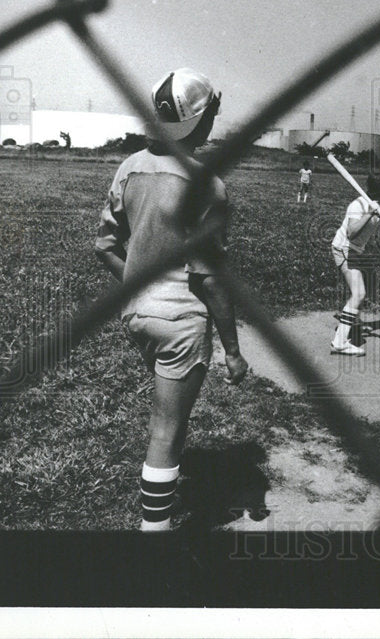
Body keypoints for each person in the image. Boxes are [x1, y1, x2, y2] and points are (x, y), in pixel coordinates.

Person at [95, 67, 250, 532]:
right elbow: (208, 280)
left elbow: (104, 245)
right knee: (168, 429)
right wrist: (234, 350)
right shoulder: (208, 184)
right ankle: (154, 534)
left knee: (167, 418)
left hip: (137, 314)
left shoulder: (130, 166)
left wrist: (140, 285)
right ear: (206, 120)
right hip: (182, 318)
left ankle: (158, 504)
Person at [330, 174, 380, 355]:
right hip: (344, 248)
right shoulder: (358, 205)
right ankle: (340, 342)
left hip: (357, 251)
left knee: (366, 287)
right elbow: (351, 233)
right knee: (359, 293)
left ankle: (352, 319)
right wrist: (370, 213)